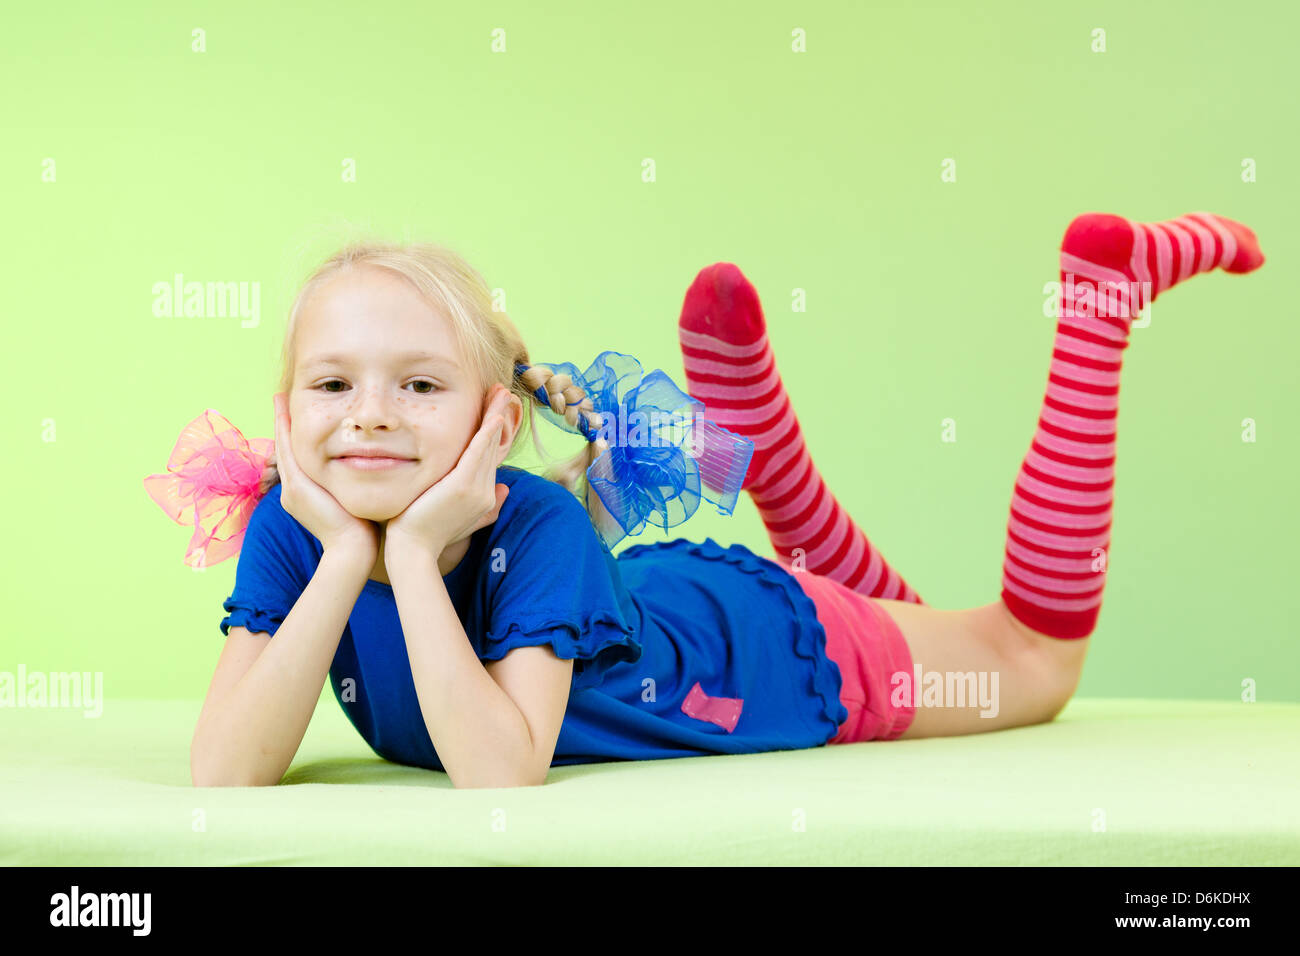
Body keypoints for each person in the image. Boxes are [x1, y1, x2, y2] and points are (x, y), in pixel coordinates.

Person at [147, 212, 1263, 789]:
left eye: (421, 386)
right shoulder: (295, 536)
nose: (371, 416)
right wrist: (348, 556)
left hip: (769, 653)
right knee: (937, 620)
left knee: (1030, 655)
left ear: (493, 421)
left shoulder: (527, 521)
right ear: (284, 417)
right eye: (332, 386)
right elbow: (225, 767)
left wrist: (415, 550)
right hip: (695, 602)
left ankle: (1100, 305)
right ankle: (760, 443)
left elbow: (499, 769)